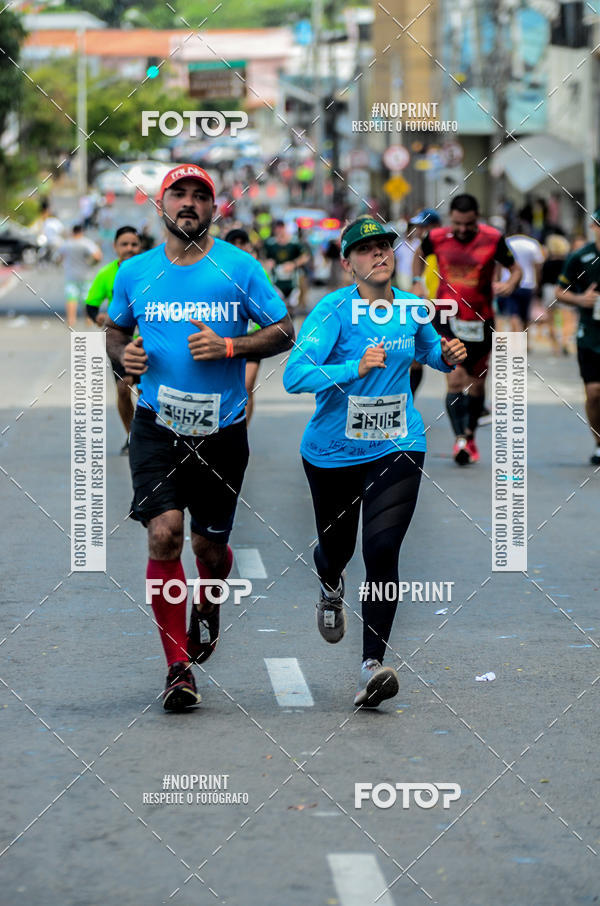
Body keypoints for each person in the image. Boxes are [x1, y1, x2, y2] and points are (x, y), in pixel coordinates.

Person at [105, 165, 294, 711]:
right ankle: (177, 667)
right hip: (157, 426)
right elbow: (116, 329)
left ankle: (208, 603)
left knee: (208, 549)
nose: (188, 204)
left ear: (215, 209)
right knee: (164, 535)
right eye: (179, 195)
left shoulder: (238, 268)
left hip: (222, 431)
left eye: (199, 197)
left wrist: (233, 349)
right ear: (160, 205)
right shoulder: (134, 272)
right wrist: (125, 358)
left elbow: (285, 330)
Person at [283, 215, 466, 708]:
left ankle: (371, 666)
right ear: (347, 263)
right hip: (331, 452)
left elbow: (431, 354)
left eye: (385, 246)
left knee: (382, 548)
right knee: (337, 550)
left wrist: (448, 355)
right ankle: (329, 581)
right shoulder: (332, 311)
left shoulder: (412, 308)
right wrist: (353, 366)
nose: (379, 254)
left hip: (397, 443)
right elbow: (294, 376)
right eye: (366, 250)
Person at [412, 194, 522, 465]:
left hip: (481, 319)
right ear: (451, 218)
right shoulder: (437, 237)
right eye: (458, 223)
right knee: (455, 378)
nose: (462, 229)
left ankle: (470, 435)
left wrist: (511, 283)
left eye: (468, 224)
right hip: (447, 316)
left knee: (476, 384)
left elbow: (515, 268)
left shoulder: (493, 238)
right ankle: (460, 439)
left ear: (477, 217)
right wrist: (417, 282)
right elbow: (419, 254)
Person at [85, 226, 143, 454]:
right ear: (115, 247)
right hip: (121, 341)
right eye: (124, 244)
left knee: (149, 390)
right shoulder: (106, 274)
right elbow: (91, 306)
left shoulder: (150, 270)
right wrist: (98, 317)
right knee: (123, 388)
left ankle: (153, 437)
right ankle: (132, 435)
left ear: (140, 246)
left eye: (134, 244)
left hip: (149, 339)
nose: (129, 248)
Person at [556, 208, 600, 465]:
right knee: (594, 392)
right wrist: (581, 299)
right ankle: (598, 442)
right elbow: (560, 292)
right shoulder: (580, 258)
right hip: (591, 334)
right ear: (594, 226)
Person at [223, 227, 270, 424]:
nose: (239, 247)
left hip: (252, 337)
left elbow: (269, 306)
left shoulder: (256, 273)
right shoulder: (218, 272)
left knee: (247, 385)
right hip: (225, 338)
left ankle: (242, 430)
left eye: (243, 243)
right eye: (235, 243)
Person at [58, 224, 102, 328]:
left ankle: (71, 320)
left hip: (71, 275)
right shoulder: (87, 243)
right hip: (86, 275)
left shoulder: (67, 244)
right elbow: (98, 256)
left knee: (71, 298)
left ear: (72, 232)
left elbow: (59, 257)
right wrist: (93, 263)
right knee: (86, 298)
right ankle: (89, 320)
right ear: (81, 232)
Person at [263, 220, 310, 315]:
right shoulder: (270, 244)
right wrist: (268, 263)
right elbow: (263, 258)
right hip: (277, 277)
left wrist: (293, 264)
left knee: (295, 298)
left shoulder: (294, 243)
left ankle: (301, 307)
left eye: (281, 228)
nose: (280, 231)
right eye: (277, 228)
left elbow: (306, 256)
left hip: (293, 276)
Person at [499, 233, 544, 333]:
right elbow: (538, 266)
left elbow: (499, 264)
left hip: (509, 283)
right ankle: (524, 342)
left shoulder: (506, 242)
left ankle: (517, 342)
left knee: (513, 314)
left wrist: (498, 280)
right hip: (528, 284)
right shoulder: (532, 244)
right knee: (525, 316)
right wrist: (537, 283)